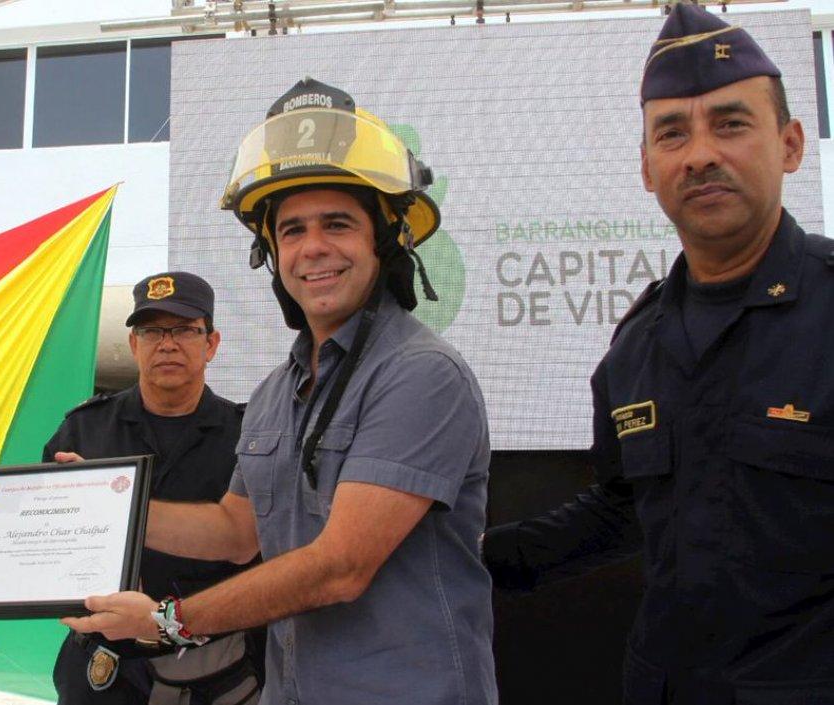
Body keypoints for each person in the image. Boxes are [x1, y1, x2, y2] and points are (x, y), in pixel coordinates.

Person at [63, 78, 496, 705]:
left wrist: (165, 622)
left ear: (383, 238)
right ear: (271, 253)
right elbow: (238, 530)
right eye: (291, 231)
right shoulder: (275, 392)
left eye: (337, 224)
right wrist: (100, 512)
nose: (312, 247)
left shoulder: (422, 375)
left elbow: (341, 567)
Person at [482, 4, 832, 703]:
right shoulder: (637, 344)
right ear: (647, 168)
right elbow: (622, 509)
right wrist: (471, 557)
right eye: (672, 132)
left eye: (730, 123)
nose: (700, 153)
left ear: (791, 144)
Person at [45, 271, 262, 705]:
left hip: (214, 669)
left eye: (184, 330)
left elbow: (254, 545)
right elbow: (49, 532)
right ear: (133, 345)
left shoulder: (248, 436)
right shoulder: (83, 430)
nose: (167, 343)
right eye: (151, 331)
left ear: (211, 344)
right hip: (105, 666)